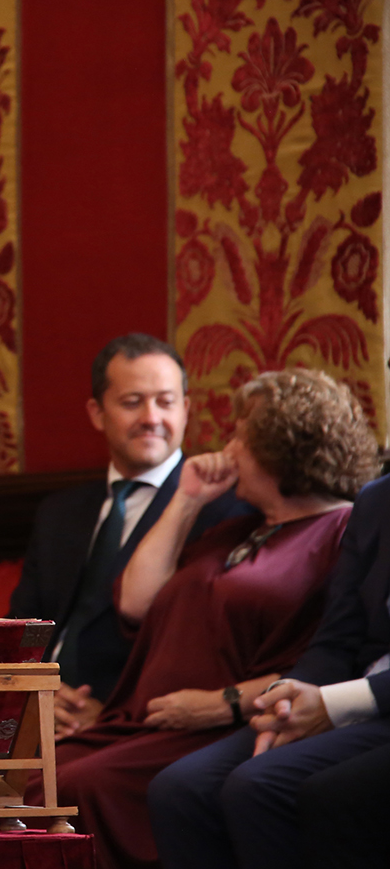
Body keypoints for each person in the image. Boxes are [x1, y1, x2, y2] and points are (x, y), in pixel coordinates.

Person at [26, 369, 381, 869]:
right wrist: (186, 498)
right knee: (24, 777)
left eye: (240, 434)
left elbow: (329, 659)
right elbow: (135, 604)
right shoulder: (235, 529)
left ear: (277, 447)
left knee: (78, 785)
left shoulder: (340, 529)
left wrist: (222, 704)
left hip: (223, 723)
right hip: (140, 723)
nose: (228, 448)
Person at [148, 473, 390, 869]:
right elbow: (336, 636)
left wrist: (331, 703)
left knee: (259, 785)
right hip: (346, 689)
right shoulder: (377, 497)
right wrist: (287, 698)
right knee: (179, 788)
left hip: (373, 702)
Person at [9, 334, 246, 736]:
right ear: (97, 413)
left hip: (140, 720)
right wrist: (35, 692)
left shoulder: (222, 508)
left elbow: (202, 650)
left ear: (186, 410)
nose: (151, 418)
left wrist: (114, 714)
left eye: (166, 402)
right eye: (132, 402)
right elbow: (20, 629)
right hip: (37, 713)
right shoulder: (59, 513)